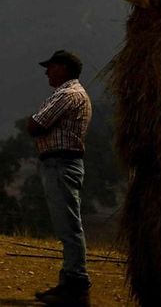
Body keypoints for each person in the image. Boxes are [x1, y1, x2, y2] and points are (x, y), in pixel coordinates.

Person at [27, 50, 93, 307]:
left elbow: (35, 125)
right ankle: (69, 280)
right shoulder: (73, 94)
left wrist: (33, 122)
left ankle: (76, 282)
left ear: (64, 68)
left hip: (60, 163)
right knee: (67, 225)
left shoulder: (68, 95)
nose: (47, 72)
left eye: (51, 67)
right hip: (63, 163)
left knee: (69, 226)